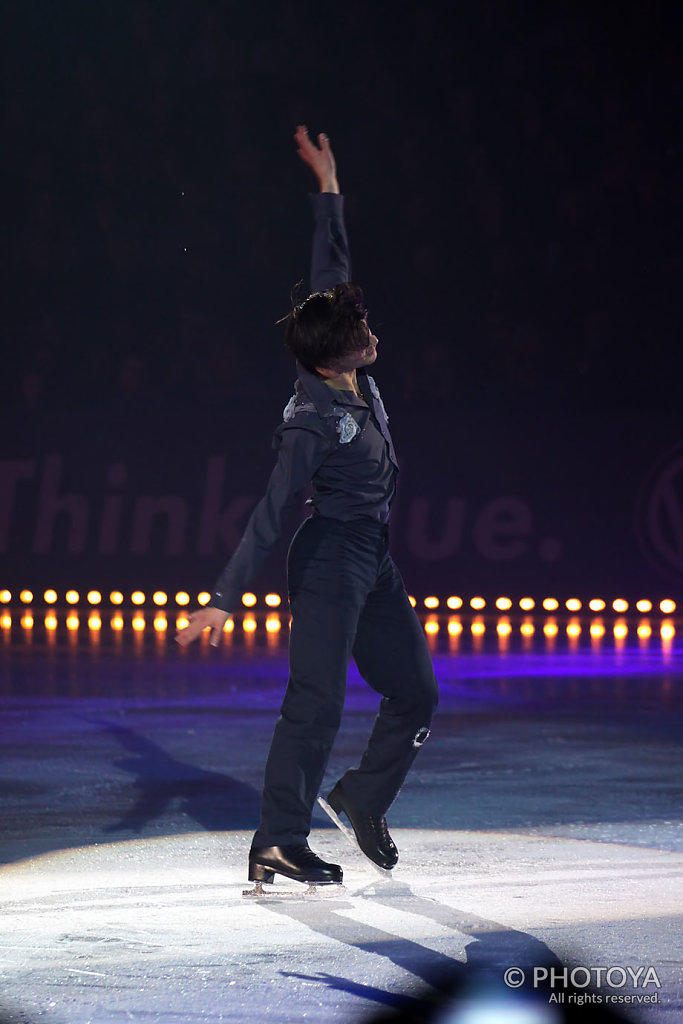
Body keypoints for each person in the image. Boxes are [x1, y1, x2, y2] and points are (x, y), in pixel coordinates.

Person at [176, 126, 438, 890]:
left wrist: (328, 192)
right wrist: (223, 601)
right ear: (331, 357)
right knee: (316, 701)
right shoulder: (309, 420)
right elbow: (269, 509)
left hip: (373, 554)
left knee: (416, 690)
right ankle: (277, 840)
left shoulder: (341, 356)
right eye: (358, 331)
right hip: (328, 557)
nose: (370, 330)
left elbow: (331, 276)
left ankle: (360, 796)